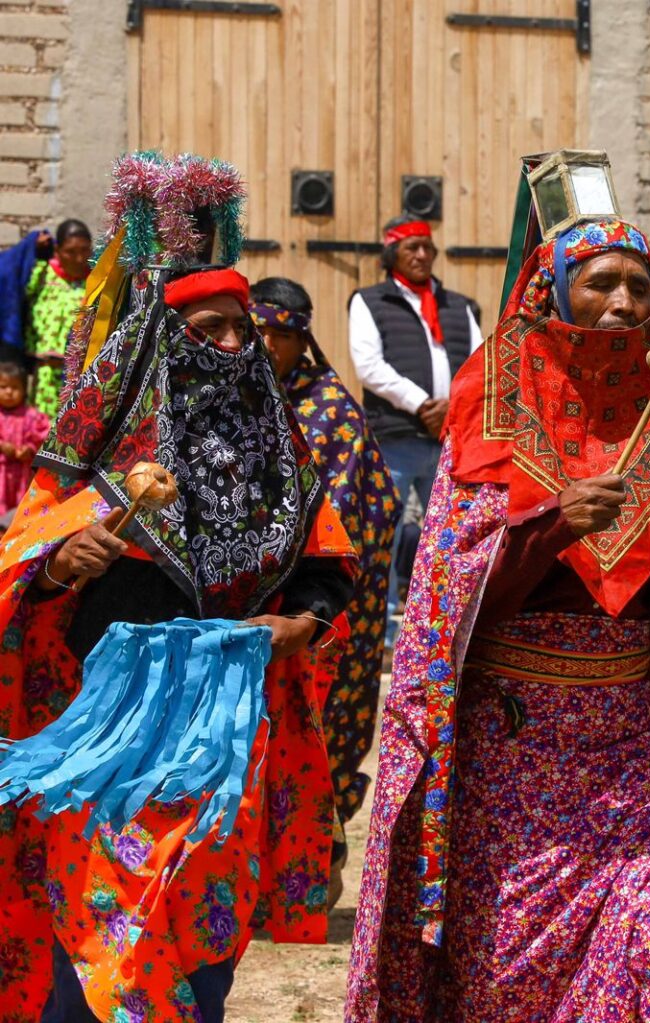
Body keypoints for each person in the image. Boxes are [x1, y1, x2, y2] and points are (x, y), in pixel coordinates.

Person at [345, 217, 650, 1023]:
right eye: (602, 283)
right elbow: (450, 597)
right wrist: (554, 524)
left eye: (639, 285)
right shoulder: (491, 416)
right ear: (553, 293)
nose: (625, 302)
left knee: (647, 936)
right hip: (516, 746)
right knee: (508, 974)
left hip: (625, 744)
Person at [0, 151, 356, 1023]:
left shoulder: (279, 454)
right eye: (210, 327)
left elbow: (327, 567)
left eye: (243, 328)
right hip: (107, 723)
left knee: (204, 906)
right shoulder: (99, 454)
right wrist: (60, 561)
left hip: (232, 719)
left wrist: (300, 625)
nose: (234, 345)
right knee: (106, 911)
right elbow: (22, 555)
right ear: (163, 338)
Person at [252, 276, 401, 874]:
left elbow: (328, 519)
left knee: (322, 719)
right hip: (253, 591)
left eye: (278, 334)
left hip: (325, 595)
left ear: (300, 338)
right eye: (255, 330)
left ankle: (314, 861)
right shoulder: (229, 395)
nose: (264, 343)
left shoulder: (328, 411)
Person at [348, 216, 482, 623]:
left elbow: (479, 364)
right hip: (398, 436)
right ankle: (384, 628)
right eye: (412, 248)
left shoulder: (458, 305)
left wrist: (452, 409)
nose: (422, 255)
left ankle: (445, 623)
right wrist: (425, 405)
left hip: (450, 437)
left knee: (454, 533)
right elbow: (369, 366)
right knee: (385, 533)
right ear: (393, 255)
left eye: (428, 247)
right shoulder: (370, 301)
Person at [25, 218, 91, 417]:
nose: (79, 258)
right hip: (43, 377)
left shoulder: (97, 282)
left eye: (84, 250)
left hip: (81, 381)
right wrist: (31, 248)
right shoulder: (42, 275)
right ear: (57, 250)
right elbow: (12, 289)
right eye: (70, 252)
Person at [0, 348, 48, 518]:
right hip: (2, 471)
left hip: (22, 473)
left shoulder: (31, 416)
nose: (9, 392)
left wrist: (28, 449)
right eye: (3, 387)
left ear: (24, 389)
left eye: (15, 387)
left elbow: (43, 437)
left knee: (18, 512)